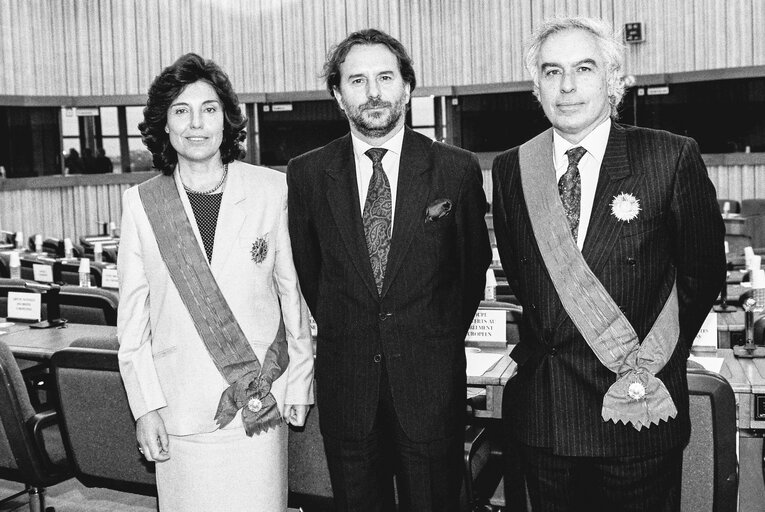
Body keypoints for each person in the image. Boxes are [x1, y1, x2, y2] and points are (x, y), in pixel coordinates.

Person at [491, 16, 726, 511]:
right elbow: (521, 274)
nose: (568, 85)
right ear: (537, 87)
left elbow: (702, 277)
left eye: (584, 68)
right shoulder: (513, 167)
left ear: (613, 80)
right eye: (552, 72)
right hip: (546, 413)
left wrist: (649, 362)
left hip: (633, 407)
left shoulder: (669, 156)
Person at [287, 29, 491, 512]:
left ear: (407, 87)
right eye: (357, 80)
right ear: (338, 95)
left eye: (385, 77)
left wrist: (428, 337)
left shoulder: (455, 169)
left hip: (429, 384)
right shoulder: (308, 174)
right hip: (347, 386)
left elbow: (470, 272)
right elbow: (311, 273)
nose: (373, 92)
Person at [117, 53, 314, 512]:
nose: (195, 123)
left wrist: (301, 380)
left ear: (226, 120)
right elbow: (132, 323)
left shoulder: (271, 189)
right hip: (178, 410)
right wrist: (144, 408)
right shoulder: (141, 205)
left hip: (258, 405)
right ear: (164, 125)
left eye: (208, 109)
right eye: (181, 111)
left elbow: (293, 297)